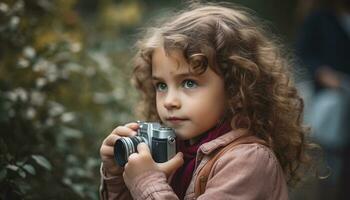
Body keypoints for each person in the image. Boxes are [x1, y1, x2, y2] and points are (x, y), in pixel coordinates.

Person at [99, 2, 313, 200]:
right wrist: (118, 175)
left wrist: (146, 181)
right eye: (161, 85)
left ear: (235, 89)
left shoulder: (247, 160)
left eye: (189, 83)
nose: (169, 101)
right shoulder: (175, 147)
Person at [295, 0, 350, 199]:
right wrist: (321, 73)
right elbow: (304, 53)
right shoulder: (320, 18)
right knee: (329, 151)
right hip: (333, 95)